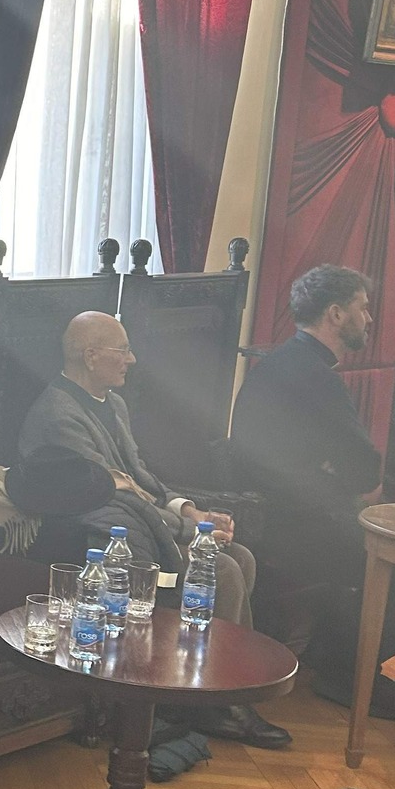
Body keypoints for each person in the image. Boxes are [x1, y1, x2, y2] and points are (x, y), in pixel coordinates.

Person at [18, 312, 289, 748]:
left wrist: (190, 509)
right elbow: (112, 493)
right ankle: (208, 702)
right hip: (96, 535)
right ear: (91, 355)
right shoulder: (57, 415)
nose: (132, 359)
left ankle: (213, 686)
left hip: (136, 518)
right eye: (123, 350)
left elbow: (138, 476)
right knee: (222, 570)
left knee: (241, 557)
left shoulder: (112, 403)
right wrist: (189, 530)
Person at [229, 265, 386, 691]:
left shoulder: (282, 362)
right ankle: (342, 669)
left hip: (276, 511)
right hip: (295, 523)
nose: (369, 318)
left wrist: (331, 468)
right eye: (362, 308)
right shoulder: (317, 377)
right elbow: (365, 472)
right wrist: (334, 471)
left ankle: (331, 655)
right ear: (335, 314)